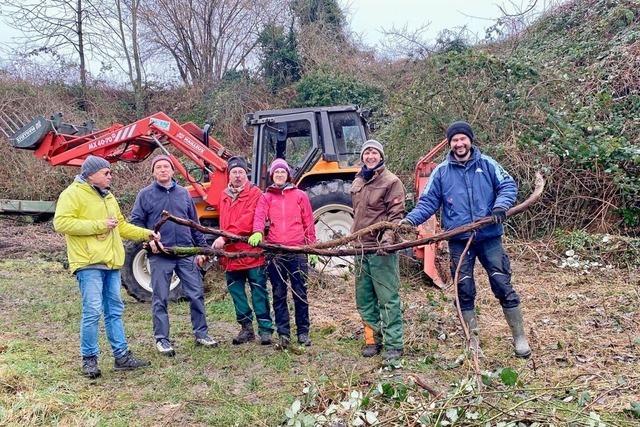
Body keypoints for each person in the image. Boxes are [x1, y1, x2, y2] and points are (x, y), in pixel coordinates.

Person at [401, 121, 531, 358]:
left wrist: (500, 206)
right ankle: (473, 343)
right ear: (450, 144)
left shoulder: (487, 164)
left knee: (502, 284)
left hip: (489, 236)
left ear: (470, 140)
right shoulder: (441, 172)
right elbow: (428, 202)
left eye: (463, 139)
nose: (459, 144)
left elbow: (508, 185)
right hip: (459, 240)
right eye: (454, 140)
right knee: (464, 288)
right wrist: (409, 221)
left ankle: (519, 338)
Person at [54, 155, 154, 379]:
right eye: (106, 172)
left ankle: (122, 356)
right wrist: (99, 225)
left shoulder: (108, 197)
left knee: (115, 311)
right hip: (88, 263)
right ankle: (89, 359)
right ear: (91, 175)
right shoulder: (72, 194)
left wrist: (146, 233)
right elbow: (61, 223)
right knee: (92, 311)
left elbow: (121, 227)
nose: (110, 176)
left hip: (111, 263)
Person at [130, 154, 218, 357]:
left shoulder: (183, 194)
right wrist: (148, 241)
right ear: (153, 172)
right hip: (161, 254)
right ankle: (162, 339)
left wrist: (202, 248)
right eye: (158, 167)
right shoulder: (144, 195)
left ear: (172, 171)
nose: (163, 170)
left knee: (196, 294)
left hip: (185, 253)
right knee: (160, 297)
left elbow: (194, 223)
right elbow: (136, 223)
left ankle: (201, 333)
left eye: (166, 166)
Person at [250, 158, 318, 348]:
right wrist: (257, 231)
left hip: (297, 251)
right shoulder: (266, 197)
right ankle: (283, 334)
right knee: (279, 293)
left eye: (283, 172)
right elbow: (259, 215)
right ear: (272, 175)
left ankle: (303, 332)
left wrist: (312, 247)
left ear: (288, 174)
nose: (280, 175)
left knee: (300, 292)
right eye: (276, 172)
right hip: (275, 252)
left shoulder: (300, 195)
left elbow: (308, 222)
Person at [350, 140, 406, 361]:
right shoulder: (358, 180)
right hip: (360, 247)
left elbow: (396, 216)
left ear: (381, 156)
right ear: (363, 156)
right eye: (367, 153)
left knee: (387, 297)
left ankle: (394, 344)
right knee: (364, 298)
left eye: (374, 153)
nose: (370, 156)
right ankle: (372, 340)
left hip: (381, 249)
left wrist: (388, 239)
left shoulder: (391, 181)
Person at [212, 156, 274, 345]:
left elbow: (248, 220)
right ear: (229, 175)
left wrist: (224, 237)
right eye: (234, 172)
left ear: (246, 173)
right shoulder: (224, 195)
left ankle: (265, 329)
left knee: (259, 291)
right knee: (237, 292)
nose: (238, 176)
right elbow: (223, 221)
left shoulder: (255, 193)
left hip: (251, 252)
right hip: (231, 255)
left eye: (240, 172)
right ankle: (246, 328)